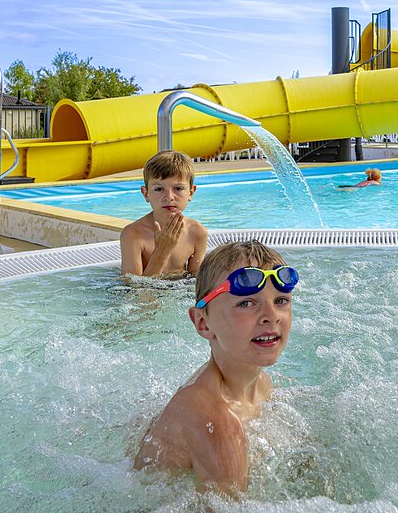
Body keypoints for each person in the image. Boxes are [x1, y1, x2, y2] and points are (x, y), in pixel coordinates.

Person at [133, 240, 298, 492]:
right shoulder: (218, 426)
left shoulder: (259, 382)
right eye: (246, 303)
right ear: (203, 323)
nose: (271, 315)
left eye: (281, 301)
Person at [120, 150, 208, 278]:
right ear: (146, 194)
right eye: (159, 189)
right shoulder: (133, 234)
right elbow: (134, 291)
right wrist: (162, 251)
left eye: (178, 188)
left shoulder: (197, 232)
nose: (169, 197)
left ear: (191, 192)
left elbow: (197, 283)